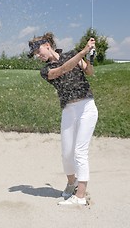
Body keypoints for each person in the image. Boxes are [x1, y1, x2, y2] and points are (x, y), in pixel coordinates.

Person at [28, 32, 98, 206]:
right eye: (35, 54)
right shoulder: (45, 71)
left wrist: (90, 57)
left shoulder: (71, 54)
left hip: (86, 108)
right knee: (67, 154)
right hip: (68, 110)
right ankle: (71, 183)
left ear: (47, 45)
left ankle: (80, 196)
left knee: (79, 152)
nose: (38, 56)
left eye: (38, 51)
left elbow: (89, 72)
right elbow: (63, 69)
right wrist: (83, 51)